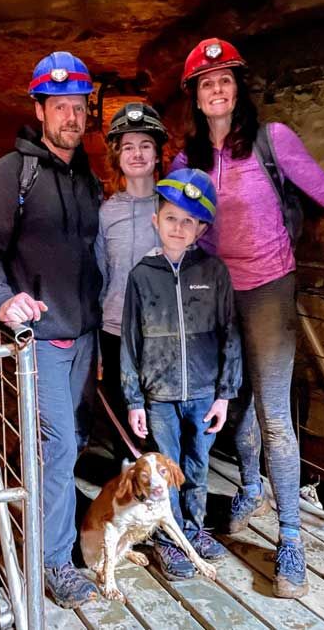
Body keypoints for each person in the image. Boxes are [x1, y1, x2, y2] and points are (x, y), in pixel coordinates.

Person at [172, 37, 324, 598]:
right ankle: (249, 488)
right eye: (205, 83)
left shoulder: (273, 140)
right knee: (235, 402)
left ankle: (290, 541)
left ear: (237, 89)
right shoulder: (187, 160)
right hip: (217, 296)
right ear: (194, 97)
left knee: (272, 415)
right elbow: (171, 223)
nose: (216, 90)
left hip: (268, 288)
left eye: (225, 81)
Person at [0, 51, 104, 608]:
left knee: (72, 441)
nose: (72, 117)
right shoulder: (12, 172)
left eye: (79, 108)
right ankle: (54, 561)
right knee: (58, 443)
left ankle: (59, 531)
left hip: (86, 335)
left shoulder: (87, 176)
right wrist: (2, 299)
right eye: (61, 107)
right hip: (44, 338)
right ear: (41, 110)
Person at [120, 168, 242, 581]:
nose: (178, 227)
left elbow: (230, 333)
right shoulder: (140, 276)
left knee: (198, 464)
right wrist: (134, 399)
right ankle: (169, 541)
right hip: (158, 394)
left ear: (201, 229)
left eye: (188, 221)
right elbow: (129, 343)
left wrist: (225, 394)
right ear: (156, 220)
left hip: (204, 391)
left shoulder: (214, 273)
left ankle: (193, 527)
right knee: (164, 470)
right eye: (171, 217)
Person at [94, 102, 168, 463]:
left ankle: (169, 497)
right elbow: (100, 272)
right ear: (117, 157)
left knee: (161, 417)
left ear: (157, 154)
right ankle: (129, 493)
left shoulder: (173, 206)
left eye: (144, 146)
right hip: (116, 329)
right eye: (127, 147)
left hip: (163, 331)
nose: (136, 154)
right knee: (124, 417)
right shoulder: (107, 213)